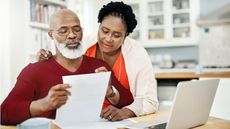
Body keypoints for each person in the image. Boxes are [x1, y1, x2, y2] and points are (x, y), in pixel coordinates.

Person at [0, 9, 134, 125]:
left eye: (76, 30)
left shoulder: (99, 66)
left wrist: (110, 92)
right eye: (63, 31)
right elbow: (4, 112)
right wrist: (44, 104)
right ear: (51, 35)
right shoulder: (33, 71)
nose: (72, 35)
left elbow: (128, 100)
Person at [38, 1, 159, 121]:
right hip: (83, 118)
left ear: (125, 36)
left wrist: (126, 112)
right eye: (104, 31)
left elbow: (150, 100)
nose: (108, 39)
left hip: (117, 121)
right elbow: (61, 68)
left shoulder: (137, 53)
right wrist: (45, 60)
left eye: (116, 35)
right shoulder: (83, 44)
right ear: (99, 26)